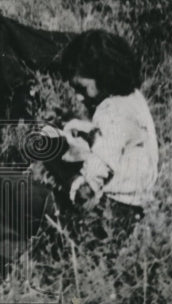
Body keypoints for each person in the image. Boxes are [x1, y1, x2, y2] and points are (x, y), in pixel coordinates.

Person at [48, 29, 159, 247]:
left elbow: (104, 161)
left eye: (82, 88)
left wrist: (81, 190)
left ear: (103, 74)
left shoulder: (110, 110)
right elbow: (118, 137)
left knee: (49, 164)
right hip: (135, 207)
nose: (79, 97)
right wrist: (89, 131)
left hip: (111, 211)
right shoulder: (132, 99)